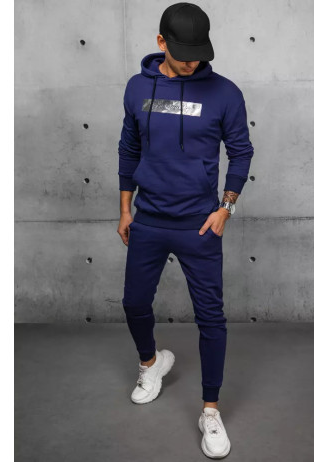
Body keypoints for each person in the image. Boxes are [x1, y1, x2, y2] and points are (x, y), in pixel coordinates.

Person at [117, 2, 254, 458]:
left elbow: (241, 152)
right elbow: (128, 149)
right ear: (161, 42)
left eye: (199, 53)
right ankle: (151, 363)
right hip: (149, 219)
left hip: (199, 225)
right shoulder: (138, 87)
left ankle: (210, 410)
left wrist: (225, 209)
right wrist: (125, 209)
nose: (193, 62)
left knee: (211, 318)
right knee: (134, 303)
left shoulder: (225, 93)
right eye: (183, 53)